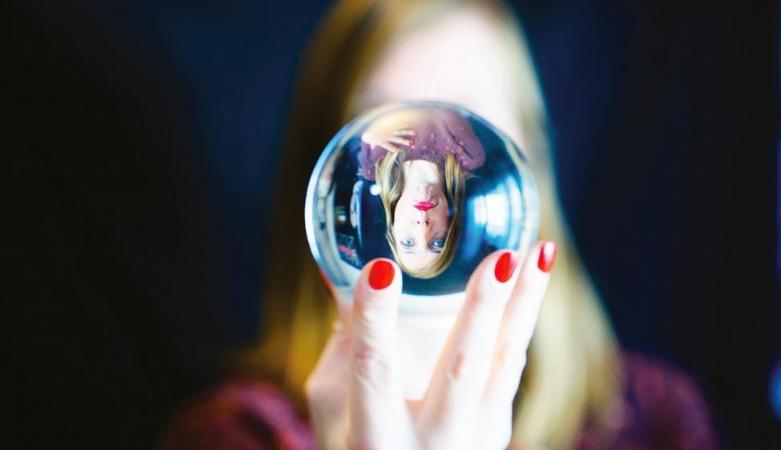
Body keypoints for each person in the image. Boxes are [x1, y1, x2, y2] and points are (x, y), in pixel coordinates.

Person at [160, 1, 721, 449]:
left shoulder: (654, 421)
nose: (421, 165)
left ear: (531, 161)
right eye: (384, 133)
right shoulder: (238, 435)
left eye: (463, 131)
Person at [358, 107, 486, 278]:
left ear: (393, 227)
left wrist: (368, 130)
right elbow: (440, 103)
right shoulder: (469, 156)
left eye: (408, 242)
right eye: (438, 243)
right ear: (451, 225)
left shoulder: (372, 165)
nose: (423, 229)